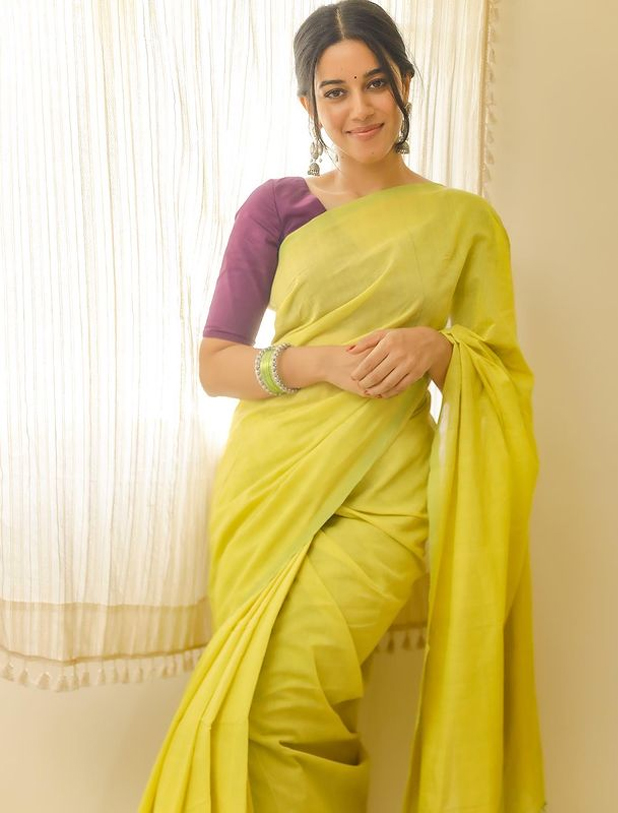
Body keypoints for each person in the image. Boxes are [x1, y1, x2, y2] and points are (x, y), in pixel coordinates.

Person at [138, 2, 547, 811]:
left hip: (387, 493)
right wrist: (318, 362)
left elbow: (498, 369)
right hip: (271, 482)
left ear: (404, 85)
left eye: (375, 84)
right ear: (309, 105)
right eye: (335, 92)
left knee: (288, 692)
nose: (359, 108)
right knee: (256, 704)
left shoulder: (464, 223)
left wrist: (438, 347)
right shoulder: (276, 207)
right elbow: (216, 363)